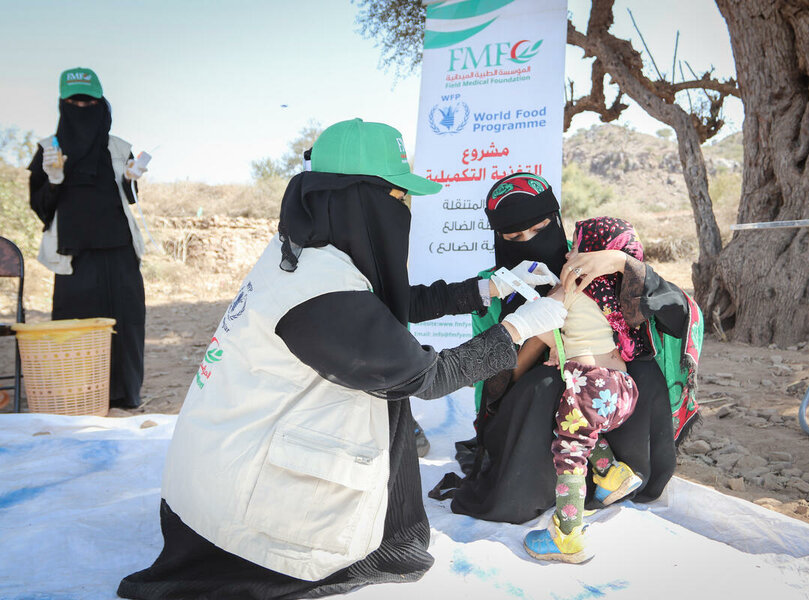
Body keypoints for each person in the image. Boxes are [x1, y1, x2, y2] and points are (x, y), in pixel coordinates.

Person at [118, 119, 567, 599]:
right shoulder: (319, 293)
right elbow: (428, 377)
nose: (405, 209)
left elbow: (387, 305)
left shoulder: (308, 252)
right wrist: (519, 326)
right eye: (397, 198)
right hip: (235, 511)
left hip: (214, 467)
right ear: (357, 198)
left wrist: (487, 288)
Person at [433, 172, 701, 526]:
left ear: (557, 221)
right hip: (530, 408)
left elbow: (677, 312)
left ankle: (620, 472)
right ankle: (562, 500)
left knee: (639, 373)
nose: (528, 241)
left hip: (606, 388)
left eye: (539, 228)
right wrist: (537, 328)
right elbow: (498, 380)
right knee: (545, 385)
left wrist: (622, 264)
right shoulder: (496, 286)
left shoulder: (591, 262)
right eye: (513, 237)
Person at [518, 217, 647, 563]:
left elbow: (544, 324)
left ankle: (567, 534)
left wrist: (548, 337)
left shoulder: (571, 285)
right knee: (582, 430)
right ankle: (610, 473)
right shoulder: (616, 292)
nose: (568, 253)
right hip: (621, 388)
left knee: (569, 453)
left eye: (575, 247)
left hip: (590, 383)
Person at [28, 67, 147, 408]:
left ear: (102, 103)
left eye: (89, 102)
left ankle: (125, 397)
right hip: (75, 257)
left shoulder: (119, 147)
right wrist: (53, 178)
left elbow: (129, 197)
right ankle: (77, 397)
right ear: (62, 104)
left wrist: (131, 179)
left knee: (126, 325)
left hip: (120, 252)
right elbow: (41, 208)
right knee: (74, 330)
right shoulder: (48, 150)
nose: (82, 108)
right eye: (74, 102)